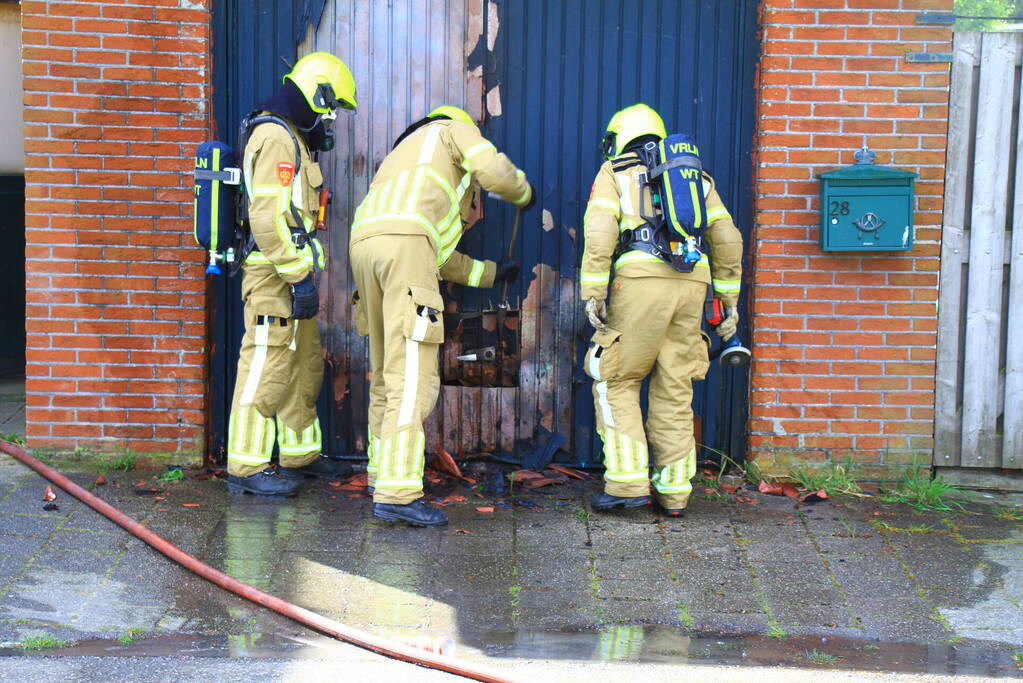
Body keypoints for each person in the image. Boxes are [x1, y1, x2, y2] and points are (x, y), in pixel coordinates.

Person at [350, 105, 534, 526]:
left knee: (387, 372)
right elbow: (494, 170)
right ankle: (398, 493)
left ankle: (381, 475)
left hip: (365, 247)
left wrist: (491, 273)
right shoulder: (453, 130)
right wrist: (522, 191)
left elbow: (440, 256)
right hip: (406, 248)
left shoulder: (404, 156)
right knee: (412, 376)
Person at [580, 103, 743, 516]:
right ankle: (674, 492)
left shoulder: (615, 171)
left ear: (619, 137)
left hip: (639, 282)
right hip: (693, 284)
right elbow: (727, 238)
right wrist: (728, 300)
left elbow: (599, 229)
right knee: (675, 387)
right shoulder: (696, 177)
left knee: (616, 379)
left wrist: (594, 290)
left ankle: (626, 483)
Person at [225, 52, 358, 497]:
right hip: (273, 276)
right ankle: (246, 466)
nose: (331, 117)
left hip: (291, 275)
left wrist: (302, 277)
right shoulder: (276, 137)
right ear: (317, 93)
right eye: (332, 106)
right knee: (265, 365)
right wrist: (298, 276)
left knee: (301, 366)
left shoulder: (293, 138)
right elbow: (267, 218)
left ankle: (300, 456)